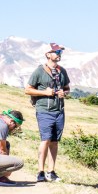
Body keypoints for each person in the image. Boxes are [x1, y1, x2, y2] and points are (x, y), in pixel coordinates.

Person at [25, 42, 70, 182]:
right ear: (48, 55)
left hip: (59, 111)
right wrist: (45, 92)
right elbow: (27, 89)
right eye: (56, 52)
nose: (59, 54)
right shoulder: (39, 71)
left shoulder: (62, 71)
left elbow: (67, 88)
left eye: (60, 52)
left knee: (55, 142)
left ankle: (51, 171)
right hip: (44, 111)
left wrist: (64, 93)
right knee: (45, 140)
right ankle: (40, 172)